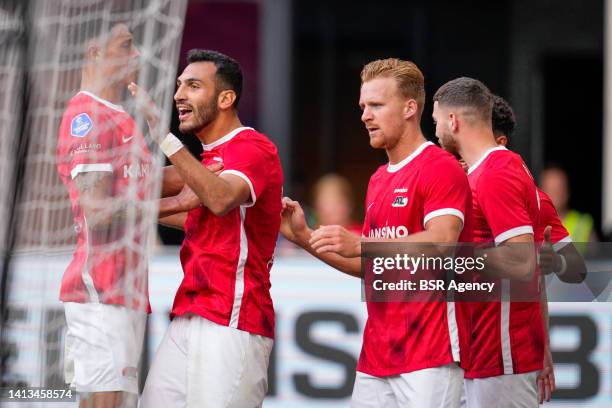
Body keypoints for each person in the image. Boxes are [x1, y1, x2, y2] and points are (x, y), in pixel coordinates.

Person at [281, 58, 473, 407]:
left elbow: (444, 241)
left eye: (376, 105)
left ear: (410, 108)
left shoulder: (439, 166)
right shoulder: (378, 178)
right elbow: (373, 267)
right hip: (377, 355)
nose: (365, 116)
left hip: (431, 354)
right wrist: (303, 238)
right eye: (363, 106)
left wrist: (361, 243)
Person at [131, 49, 283, 407]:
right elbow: (177, 208)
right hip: (190, 314)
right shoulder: (204, 160)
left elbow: (218, 199)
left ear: (226, 98)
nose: (179, 94)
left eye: (194, 86)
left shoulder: (253, 147)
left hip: (233, 320)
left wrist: (165, 140)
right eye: (180, 85)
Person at [56, 22, 150, 407]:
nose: (139, 55)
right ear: (95, 52)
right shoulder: (88, 115)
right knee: (106, 401)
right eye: (127, 45)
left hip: (126, 290)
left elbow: (154, 187)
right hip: (100, 288)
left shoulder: (124, 118)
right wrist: (160, 205)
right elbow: (95, 212)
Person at [433, 78, 542, 407]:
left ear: (453, 121)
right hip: (483, 351)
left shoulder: (497, 172)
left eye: (436, 120)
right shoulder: (490, 169)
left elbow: (523, 262)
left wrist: (449, 255)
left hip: (501, 355)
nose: (436, 131)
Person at [540, 166, 598, 244]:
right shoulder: (531, 226)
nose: (554, 195)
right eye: (550, 190)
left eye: (558, 189)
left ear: (567, 192)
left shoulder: (583, 225)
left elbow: (596, 255)